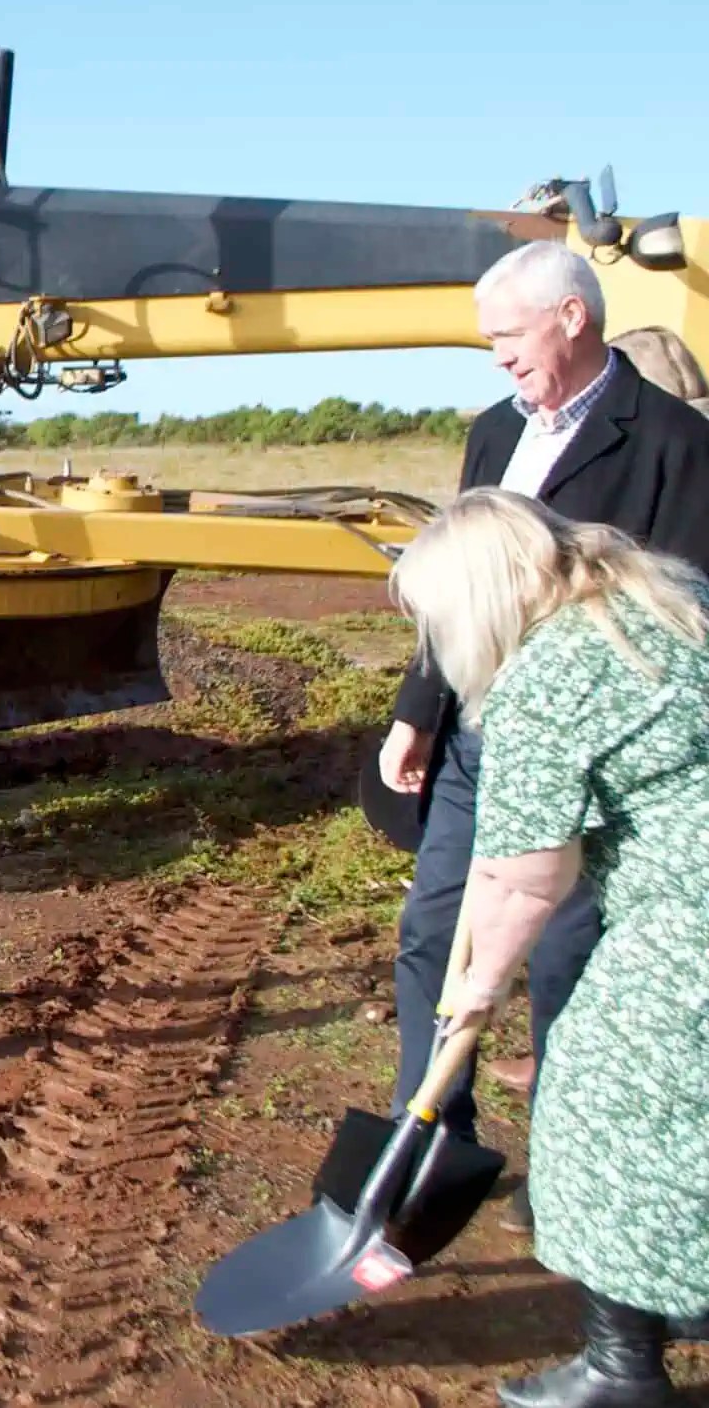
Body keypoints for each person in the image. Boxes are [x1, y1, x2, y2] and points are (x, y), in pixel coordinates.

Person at [378, 239, 709, 1233]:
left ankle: (572, 1162)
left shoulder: (670, 445)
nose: (496, 359)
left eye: (506, 336)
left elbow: (679, 605)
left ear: (572, 316)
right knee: (434, 933)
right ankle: (427, 1149)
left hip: (588, 755)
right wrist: (417, 707)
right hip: (483, 736)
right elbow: (460, 590)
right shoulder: (492, 433)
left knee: (569, 958)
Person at [387, 489, 709, 1406]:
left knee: (595, 1103)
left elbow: (520, 877)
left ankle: (622, 1368)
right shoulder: (655, 599)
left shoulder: (545, 679)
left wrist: (478, 989)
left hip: (688, 917)